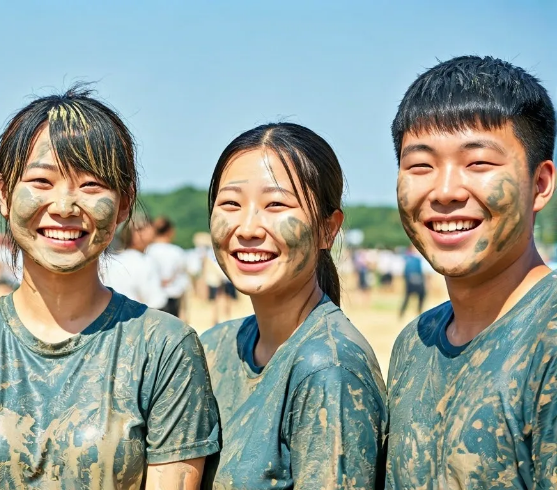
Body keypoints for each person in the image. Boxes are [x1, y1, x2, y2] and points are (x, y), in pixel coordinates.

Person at [0, 85, 220, 489]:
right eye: (42, 181)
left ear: (124, 203)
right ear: (3, 194)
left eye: (90, 185)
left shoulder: (164, 349)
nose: (65, 207)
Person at [386, 56, 557, 488]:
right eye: (420, 166)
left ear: (540, 184)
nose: (444, 192)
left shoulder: (548, 339)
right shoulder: (415, 343)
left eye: (478, 163)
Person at [200, 122, 387, 488]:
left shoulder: (328, 369)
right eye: (231, 204)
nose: (248, 227)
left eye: (275, 205)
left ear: (327, 229)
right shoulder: (213, 347)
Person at [102, 214, 168, 309]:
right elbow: (156, 301)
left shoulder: (114, 260)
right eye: (141, 229)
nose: (150, 231)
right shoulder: (145, 262)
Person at [146, 216, 190, 317]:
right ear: (170, 231)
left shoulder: (147, 251)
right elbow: (182, 277)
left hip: (152, 300)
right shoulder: (177, 251)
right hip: (172, 297)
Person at [398, 244, 426, 319]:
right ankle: (402, 313)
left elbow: (421, 271)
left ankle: (419, 312)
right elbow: (405, 270)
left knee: (422, 295)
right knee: (407, 297)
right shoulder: (408, 257)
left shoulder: (418, 258)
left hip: (418, 279)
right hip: (410, 279)